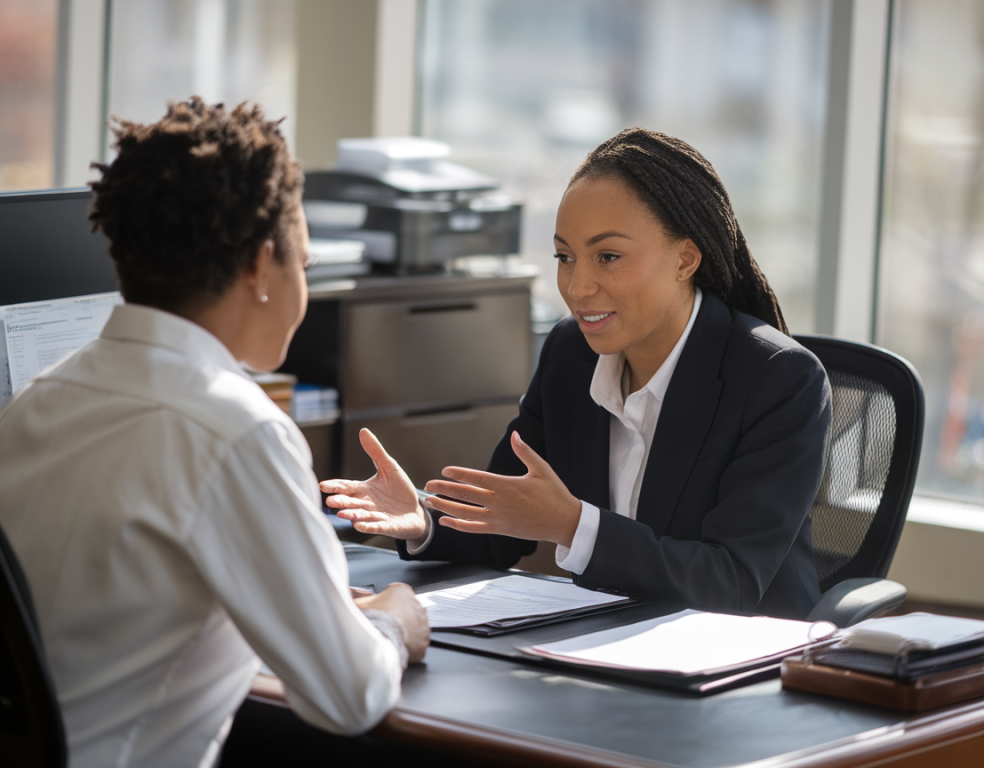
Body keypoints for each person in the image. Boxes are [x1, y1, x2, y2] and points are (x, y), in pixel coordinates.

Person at [0, 98, 428, 768]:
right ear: (261, 265)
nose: (304, 287)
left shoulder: (34, 402)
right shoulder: (237, 429)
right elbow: (350, 695)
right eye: (305, 266)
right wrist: (395, 620)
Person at [321, 127, 831, 620]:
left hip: (748, 671)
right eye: (565, 257)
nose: (577, 285)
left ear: (685, 258)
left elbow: (732, 583)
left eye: (608, 256)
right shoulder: (571, 352)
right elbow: (506, 519)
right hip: (608, 646)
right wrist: (423, 521)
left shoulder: (779, 379)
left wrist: (574, 525)